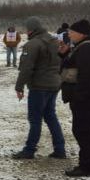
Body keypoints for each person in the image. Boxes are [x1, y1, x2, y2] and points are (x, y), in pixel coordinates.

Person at [11, 17, 66, 160]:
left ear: (31, 29)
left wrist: (19, 86)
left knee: (35, 119)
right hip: (54, 84)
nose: (26, 32)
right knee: (51, 116)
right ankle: (60, 149)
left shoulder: (33, 44)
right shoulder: (55, 41)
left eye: (27, 29)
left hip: (39, 86)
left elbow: (26, 68)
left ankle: (29, 150)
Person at [59, 19, 90, 177]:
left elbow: (86, 75)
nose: (69, 34)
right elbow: (75, 65)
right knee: (88, 130)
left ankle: (88, 166)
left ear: (81, 33)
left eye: (72, 32)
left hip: (87, 97)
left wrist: (79, 97)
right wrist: (65, 54)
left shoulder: (87, 48)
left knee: (83, 130)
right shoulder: (87, 46)